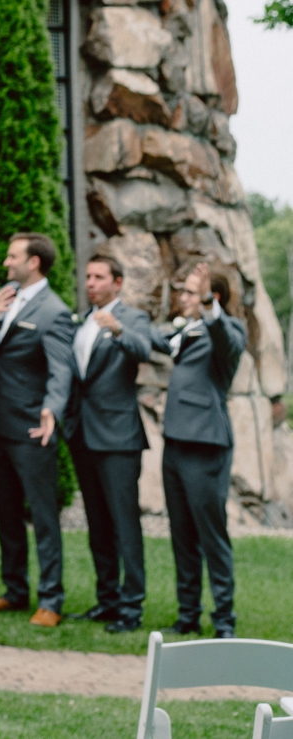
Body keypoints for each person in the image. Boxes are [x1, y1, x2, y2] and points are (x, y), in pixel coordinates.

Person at [0, 231, 75, 628]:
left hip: (33, 429)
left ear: (34, 262)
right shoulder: (5, 297)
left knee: (43, 515)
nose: (6, 262)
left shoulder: (55, 311)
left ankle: (51, 599)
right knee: (6, 513)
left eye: (12, 256)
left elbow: (61, 368)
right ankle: (14, 590)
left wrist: (52, 408)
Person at [64, 249, 154, 635]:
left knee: (124, 523)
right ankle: (107, 600)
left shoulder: (133, 319)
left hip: (118, 438)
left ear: (117, 282)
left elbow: (144, 349)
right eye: (88, 277)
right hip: (83, 434)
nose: (90, 284)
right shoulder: (82, 320)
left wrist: (117, 329)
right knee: (97, 523)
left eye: (99, 277)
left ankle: (132, 607)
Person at [157, 261, 246, 640]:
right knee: (181, 534)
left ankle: (224, 619)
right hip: (174, 444)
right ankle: (187, 613)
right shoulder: (187, 332)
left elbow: (225, 337)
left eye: (192, 292)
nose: (184, 297)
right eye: (187, 292)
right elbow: (156, 340)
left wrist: (210, 305)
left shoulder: (227, 330)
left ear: (214, 296)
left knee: (212, 535)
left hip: (206, 446)